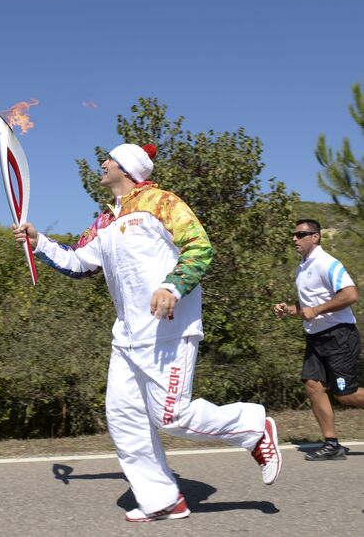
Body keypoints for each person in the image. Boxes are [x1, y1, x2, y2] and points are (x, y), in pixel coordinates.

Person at [14, 142, 282, 522]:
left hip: (167, 331)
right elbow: (78, 263)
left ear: (125, 167)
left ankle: (252, 428)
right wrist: (38, 241)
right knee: (123, 417)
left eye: (108, 159)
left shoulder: (161, 202)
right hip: (126, 337)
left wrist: (172, 287)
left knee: (171, 416)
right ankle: (161, 499)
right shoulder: (103, 223)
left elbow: (199, 247)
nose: (102, 164)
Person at [274, 218, 364, 461]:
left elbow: (350, 294)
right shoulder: (302, 268)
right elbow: (308, 306)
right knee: (313, 385)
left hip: (339, 335)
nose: (295, 238)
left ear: (316, 237)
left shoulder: (327, 263)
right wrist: (290, 310)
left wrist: (317, 310)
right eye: (293, 234)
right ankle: (331, 444)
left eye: (301, 234)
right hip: (316, 337)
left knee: (345, 393)